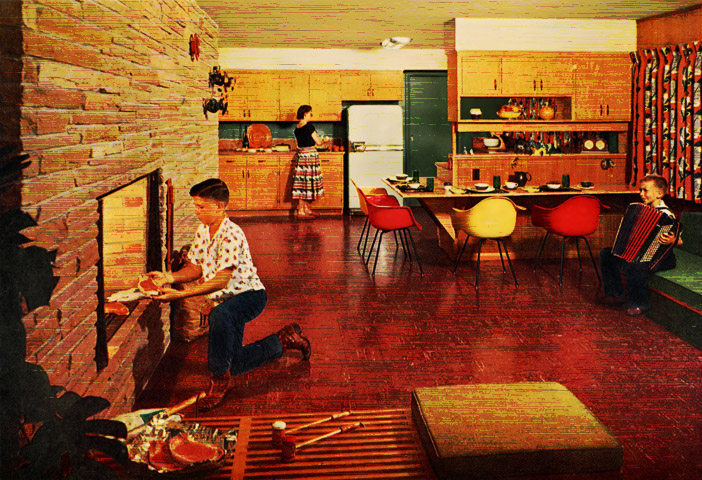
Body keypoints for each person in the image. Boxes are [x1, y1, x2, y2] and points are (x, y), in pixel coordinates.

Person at [147, 178, 311, 411]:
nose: (196, 211)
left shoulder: (232, 234)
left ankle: (218, 383)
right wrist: (168, 278)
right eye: (195, 206)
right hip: (226, 300)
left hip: (249, 296)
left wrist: (180, 295)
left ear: (219, 207)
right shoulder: (204, 230)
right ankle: (285, 340)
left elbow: (221, 280)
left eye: (201, 207)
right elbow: (195, 268)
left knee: (220, 316)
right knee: (236, 363)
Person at [599, 174, 682, 316]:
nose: (641, 194)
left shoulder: (667, 215)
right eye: (640, 190)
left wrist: (672, 240)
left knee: (636, 264)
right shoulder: (642, 210)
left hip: (662, 258)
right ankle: (616, 293)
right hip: (642, 254)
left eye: (645, 190)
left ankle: (640, 303)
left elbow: (679, 241)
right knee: (607, 254)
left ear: (659, 193)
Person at [292, 105, 327, 218]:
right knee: (307, 183)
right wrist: (325, 140)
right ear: (305, 114)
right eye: (310, 113)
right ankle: (301, 211)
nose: (311, 116)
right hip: (310, 156)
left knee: (303, 183)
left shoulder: (297, 128)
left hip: (302, 156)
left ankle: (305, 208)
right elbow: (318, 142)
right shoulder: (309, 126)